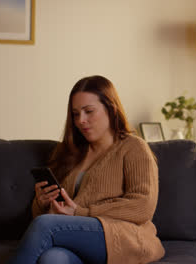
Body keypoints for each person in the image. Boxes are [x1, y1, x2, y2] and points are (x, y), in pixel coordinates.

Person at [9, 75, 165, 264]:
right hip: (78, 240)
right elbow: (52, 217)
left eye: (88, 111)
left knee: (45, 226)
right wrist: (42, 203)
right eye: (75, 114)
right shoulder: (70, 152)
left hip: (123, 238)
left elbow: (143, 207)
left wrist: (80, 212)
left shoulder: (134, 147)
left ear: (111, 108)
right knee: (53, 259)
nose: (81, 120)